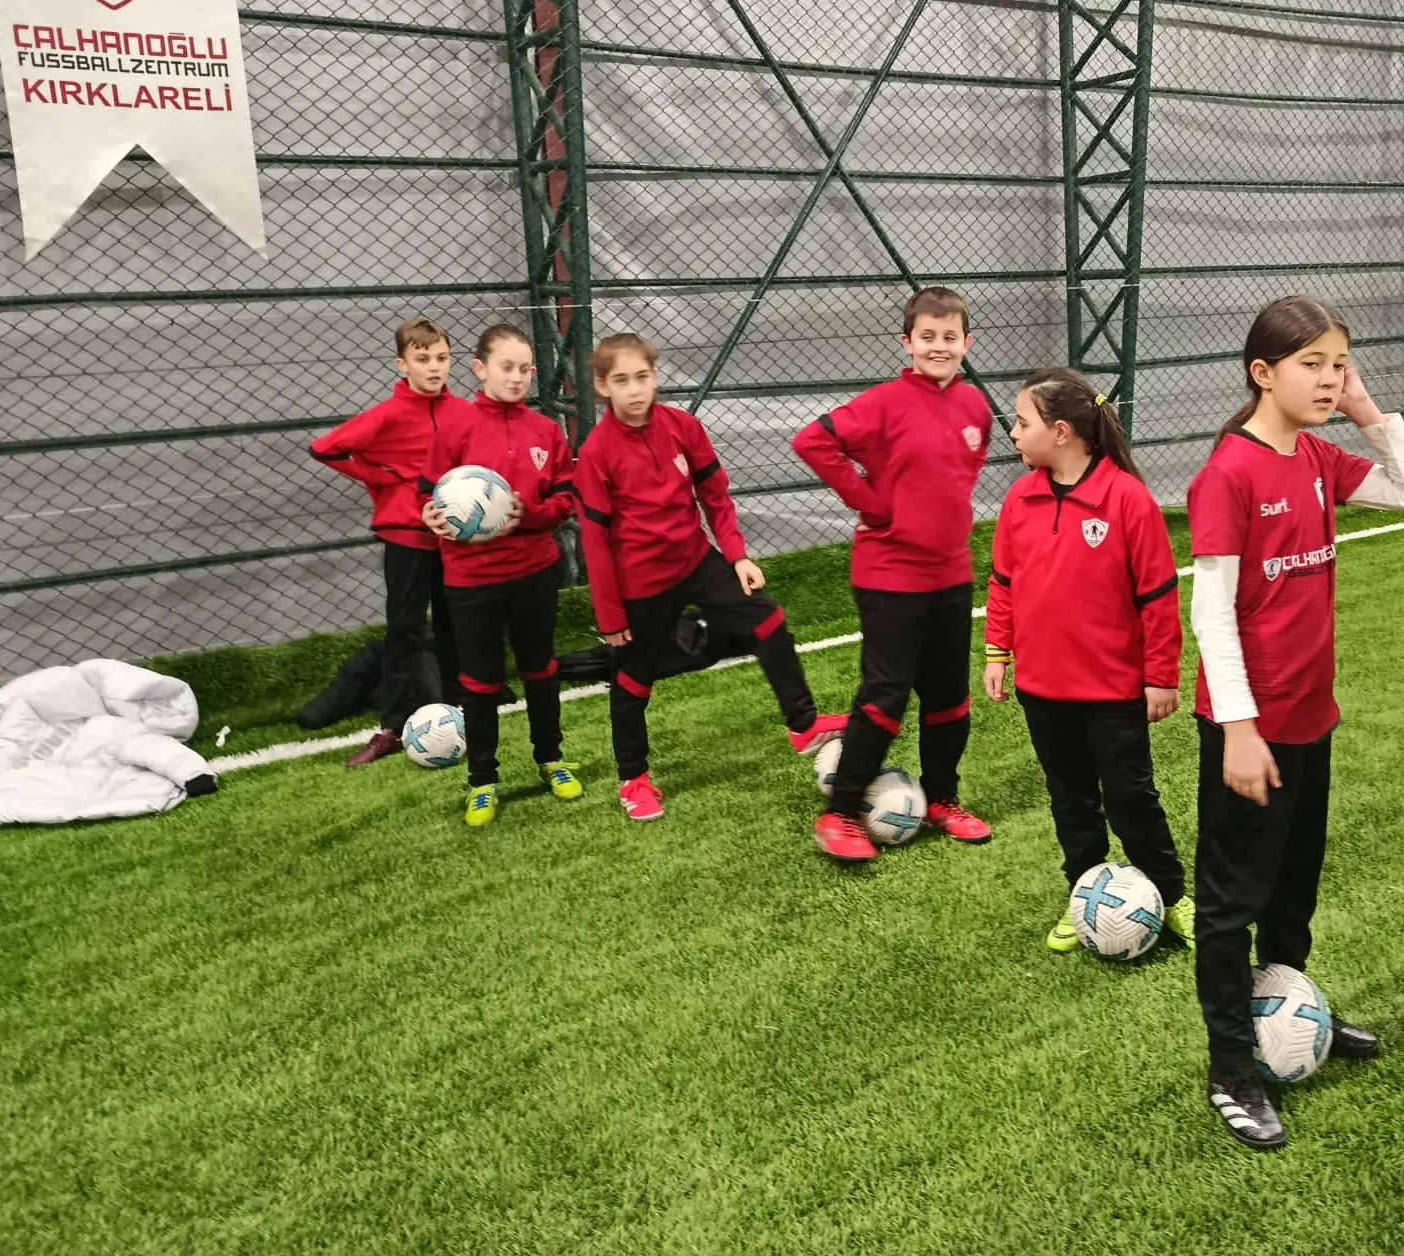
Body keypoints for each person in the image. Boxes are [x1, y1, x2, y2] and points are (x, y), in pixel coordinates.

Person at [1188, 295, 1404, 1151]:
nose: (1331, 378)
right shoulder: (1229, 473)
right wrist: (1239, 729)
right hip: (1248, 731)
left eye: (1340, 363)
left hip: (1310, 720)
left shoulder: (1321, 458)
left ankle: (1290, 1014)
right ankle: (1232, 1066)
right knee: (1232, 903)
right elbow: (1212, 614)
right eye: (1313, 365)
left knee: (1293, 890)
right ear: (1263, 373)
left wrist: (1368, 412)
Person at [576, 332, 849, 821]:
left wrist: (738, 556)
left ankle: (804, 724)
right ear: (602, 385)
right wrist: (610, 615)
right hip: (641, 581)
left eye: (643, 377)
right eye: (622, 380)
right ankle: (634, 779)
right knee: (633, 677)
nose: (635, 389)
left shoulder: (683, 426)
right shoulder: (597, 452)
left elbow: (715, 496)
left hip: (697, 560)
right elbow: (595, 543)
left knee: (766, 619)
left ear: (655, 376)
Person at [983, 367, 1191, 952]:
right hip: (1043, 689)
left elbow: (1157, 597)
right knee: (1070, 799)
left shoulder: (1127, 499)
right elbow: (1003, 582)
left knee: (1131, 799)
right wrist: (998, 652)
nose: (1013, 433)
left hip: (1113, 691)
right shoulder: (1020, 498)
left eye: (1022, 422)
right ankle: (1085, 897)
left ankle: (1171, 897)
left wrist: (1160, 677)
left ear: (1062, 432)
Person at [791, 287, 995, 864]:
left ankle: (943, 800)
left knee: (949, 696)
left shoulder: (976, 406)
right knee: (886, 695)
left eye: (949, 337)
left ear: (967, 342)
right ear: (907, 343)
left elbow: (963, 469)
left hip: (950, 572)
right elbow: (811, 441)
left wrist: (943, 516)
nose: (938, 346)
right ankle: (840, 813)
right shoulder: (883, 402)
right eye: (927, 337)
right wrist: (873, 504)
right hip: (889, 573)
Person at [420, 323, 580, 828]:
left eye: (525, 369)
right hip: (471, 580)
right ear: (480, 369)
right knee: (479, 682)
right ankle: (483, 780)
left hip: (535, 571)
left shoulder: (546, 431)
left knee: (541, 670)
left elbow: (566, 498)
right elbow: (425, 493)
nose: (517, 377)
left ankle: (550, 759)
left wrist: (529, 516)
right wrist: (426, 514)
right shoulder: (455, 428)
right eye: (506, 367)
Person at [309, 318, 470, 766]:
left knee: (457, 623)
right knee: (405, 630)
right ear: (403, 365)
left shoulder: (465, 412)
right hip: (407, 539)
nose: (434, 367)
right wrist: (388, 479)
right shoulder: (388, 414)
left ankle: (463, 708)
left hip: (455, 540)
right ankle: (392, 727)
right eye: (423, 359)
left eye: (442, 358)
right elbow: (324, 448)